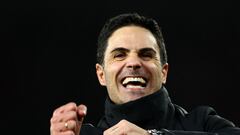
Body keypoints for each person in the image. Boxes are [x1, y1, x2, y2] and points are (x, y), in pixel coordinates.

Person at [50, 13, 240, 135]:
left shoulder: (204, 122)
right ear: (101, 75)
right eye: (119, 55)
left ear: (164, 72)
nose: (133, 63)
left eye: (146, 54)